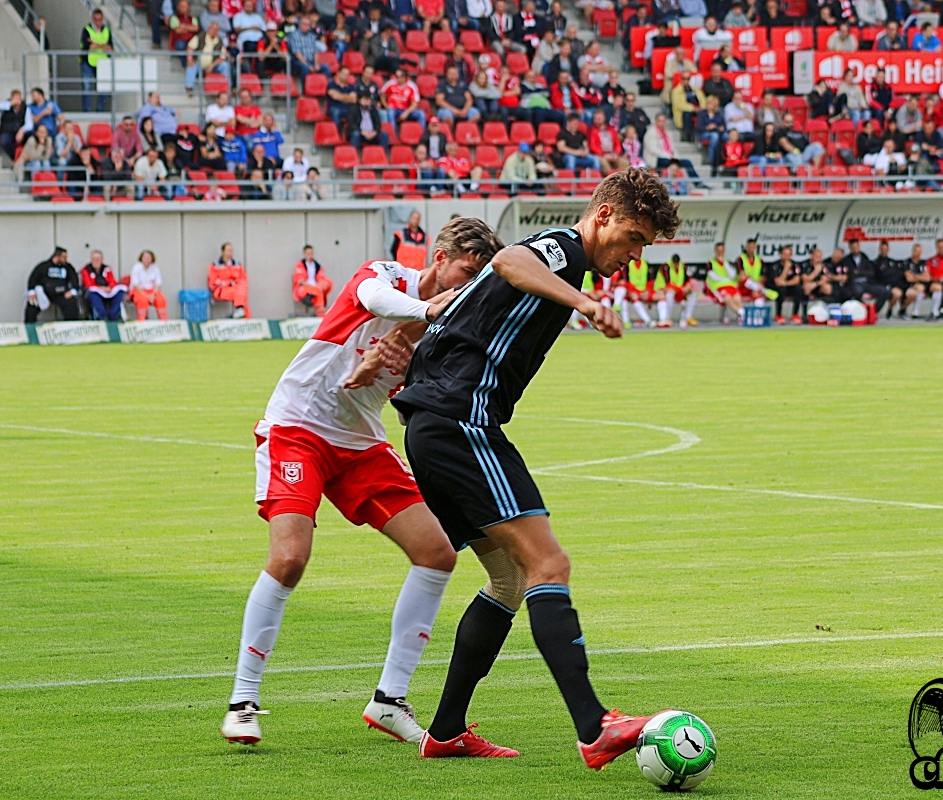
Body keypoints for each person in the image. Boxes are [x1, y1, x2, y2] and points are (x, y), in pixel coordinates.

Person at [390, 169, 679, 765]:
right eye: (631, 237)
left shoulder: (563, 256)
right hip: (460, 422)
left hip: (432, 426)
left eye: (643, 246)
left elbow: (461, 313)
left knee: (509, 578)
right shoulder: (562, 251)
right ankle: (595, 727)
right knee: (548, 561)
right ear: (601, 215)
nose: (633, 254)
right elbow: (510, 264)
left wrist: (397, 349)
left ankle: (444, 732)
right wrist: (587, 303)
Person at [221, 217, 505, 746]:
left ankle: (389, 701)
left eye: (475, 280)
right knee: (289, 558)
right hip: (298, 427)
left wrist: (398, 365)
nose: (466, 287)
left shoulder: (443, 333)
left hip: (360, 443)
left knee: (438, 553)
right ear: (439, 257)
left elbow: (412, 404)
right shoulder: (386, 277)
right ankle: (243, 699)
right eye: (464, 273)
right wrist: (421, 316)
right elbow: (374, 300)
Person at [25, 248, 81, 323]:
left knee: (71, 304)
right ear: (57, 256)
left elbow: (74, 279)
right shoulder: (44, 266)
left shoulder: (68, 267)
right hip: (44, 294)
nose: (66, 260)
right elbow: (33, 278)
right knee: (32, 304)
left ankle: (71, 326)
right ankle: (29, 328)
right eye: (64, 257)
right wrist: (31, 291)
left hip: (61, 294)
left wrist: (73, 291)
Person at [80, 8, 113, 113]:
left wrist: (96, 44)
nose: (98, 22)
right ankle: (87, 111)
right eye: (96, 19)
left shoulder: (107, 30)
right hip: (88, 62)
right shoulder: (86, 29)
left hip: (103, 63)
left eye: (100, 19)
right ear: (92, 19)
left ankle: (100, 110)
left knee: (104, 89)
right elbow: (88, 46)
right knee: (86, 88)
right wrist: (103, 45)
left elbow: (110, 48)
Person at [186, 21, 231, 96]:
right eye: (212, 29)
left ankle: (227, 88)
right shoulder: (200, 37)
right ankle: (189, 87)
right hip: (199, 63)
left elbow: (223, 57)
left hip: (212, 66)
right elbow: (190, 47)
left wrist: (212, 65)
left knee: (225, 65)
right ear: (208, 29)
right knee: (191, 66)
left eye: (216, 29)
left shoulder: (220, 41)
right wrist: (189, 59)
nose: (214, 31)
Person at [80, 250, 126, 321]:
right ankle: (102, 316)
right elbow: (88, 284)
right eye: (94, 259)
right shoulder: (86, 270)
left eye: (98, 259)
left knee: (120, 291)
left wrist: (109, 287)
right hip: (93, 293)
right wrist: (101, 288)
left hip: (108, 292)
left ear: (102, 260)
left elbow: (113, 282)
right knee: (93, 294)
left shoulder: (107, 269)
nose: (96, 261)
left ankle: (114, 314)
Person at [654, 254, 697, 328]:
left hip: (678, 290)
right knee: (669, 295)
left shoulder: (683, 266)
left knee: (693, 294)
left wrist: (688, 287)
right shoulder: (666, 267)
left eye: (677, 263)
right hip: (663, 289)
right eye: (674, 263)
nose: (676, 265)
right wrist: (680, 289)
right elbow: (668, 285)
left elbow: (687, 280)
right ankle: (667, 318)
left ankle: (688, 317)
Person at [706, 242, 744, 323]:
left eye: (722, 251)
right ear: (715, 251)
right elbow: (713, 277)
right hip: (718, 286)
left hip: (730, 285)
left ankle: (740, 316)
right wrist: (726, 279)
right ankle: (742, 313)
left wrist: (724, 263)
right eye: (718, 251)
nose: (720, 253)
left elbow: (732, 275)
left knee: (737, 298)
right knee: (727, 298)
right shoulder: (711, 263)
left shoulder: (728, 262)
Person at [210, 243, 250, 319]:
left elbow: (243, 279)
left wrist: (236, 283)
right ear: (223, 252)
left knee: (242, 290)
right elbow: (213, 282)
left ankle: (242, 315)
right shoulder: (215, 265)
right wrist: (228, 283)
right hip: (220, 291)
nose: (230, 252)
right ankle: (240, 311)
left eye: (231, 250)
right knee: (241, 293)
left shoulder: (237, 264)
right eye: (228, 250)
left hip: (235, 290)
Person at [290, 245, 333, 316]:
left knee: (329, 282)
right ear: (304, 254)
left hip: (317, 287)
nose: (310, 255)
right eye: (308, 254)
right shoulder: (300, 265)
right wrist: (313, 287)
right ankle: (321, 315)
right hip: (305, 289)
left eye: (311, 253)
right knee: (317, 291)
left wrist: (317, 286)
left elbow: (321, 278)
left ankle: (319, 310)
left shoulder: (317, 266)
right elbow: (300, 280)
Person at [129, 250, 169, 321]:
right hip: (139, 291)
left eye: (149, 257)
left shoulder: (155, 268)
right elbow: (135, 285)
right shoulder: (136, 268)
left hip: (152, 292)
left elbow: (158, 284)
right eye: (145, 257)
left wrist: (153, 295)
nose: (147, 259)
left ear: (152, 259)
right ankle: (142, 320)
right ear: (141, 258)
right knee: (142, 300)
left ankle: (164, 321)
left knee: (161, 299)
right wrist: (147, 296)